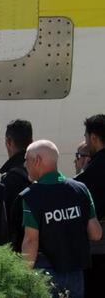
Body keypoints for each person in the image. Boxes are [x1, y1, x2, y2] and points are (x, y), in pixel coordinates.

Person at [21, 140, 102, 298]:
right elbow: (96, 233)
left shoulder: (30, 196)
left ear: (37, 160)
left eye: (27, 159)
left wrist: (22, 277)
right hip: (76, 275)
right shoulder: (81, 189)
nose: (25, 165)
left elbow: (31, 241)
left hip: (45, 275)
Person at [76, 115, 105, 297]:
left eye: (86, 137)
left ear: (94, 137)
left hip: (98, 250)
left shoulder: (93, 171)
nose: (86, 143)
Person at [0, 119, 32, 250]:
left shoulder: (9, 179)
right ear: (31, 142)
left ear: (8, 142)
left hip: (19, 249)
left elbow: (5, 221)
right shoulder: (41, 172)